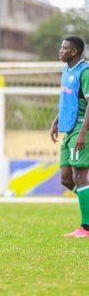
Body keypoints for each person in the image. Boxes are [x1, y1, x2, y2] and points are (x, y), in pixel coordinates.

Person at [50, 36, 89, 238]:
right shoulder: (66, 70)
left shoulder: (85, 72)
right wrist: (57, 121)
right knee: (66, 179)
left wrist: (83, 132)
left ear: (74, 52)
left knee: (80, 176)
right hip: (68, 128)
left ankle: (86, 227)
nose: (61, 50)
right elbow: (69, 98)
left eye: (64, 48)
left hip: (82, 128)